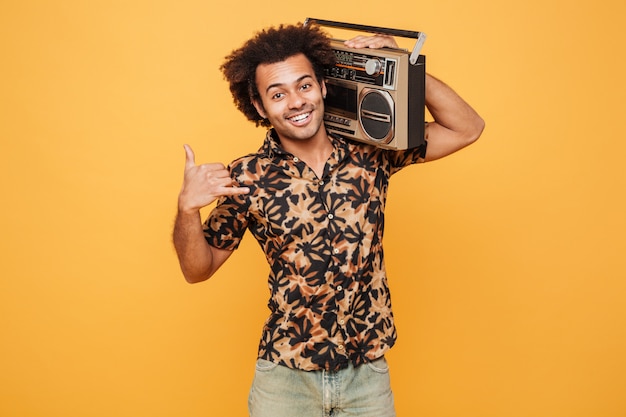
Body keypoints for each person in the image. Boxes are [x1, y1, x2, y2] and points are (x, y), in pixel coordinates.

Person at [173, 22, 484, 417]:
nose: (296, 102)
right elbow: (197, 270)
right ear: (259, 107)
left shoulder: (372, 150)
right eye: (277, 94)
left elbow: (467, 128)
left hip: (366, 377)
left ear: (322, 85)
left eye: (304, 86)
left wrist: (403, 66)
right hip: (286, 380)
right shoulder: (246, 177)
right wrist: (187, 209)